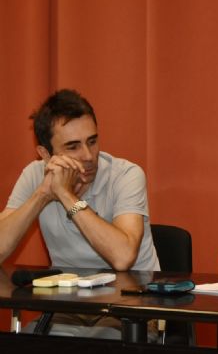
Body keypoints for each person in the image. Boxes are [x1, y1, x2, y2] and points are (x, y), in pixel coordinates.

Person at [0, 89, 159, 338]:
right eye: (73, 147)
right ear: (45, 155)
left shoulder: (126, 175)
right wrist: (43, 194)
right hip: (67, 306)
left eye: (92, 141)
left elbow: (123, 257)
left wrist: (65, 195)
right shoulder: (34, 175)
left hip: (130, 307)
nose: (88, 156)